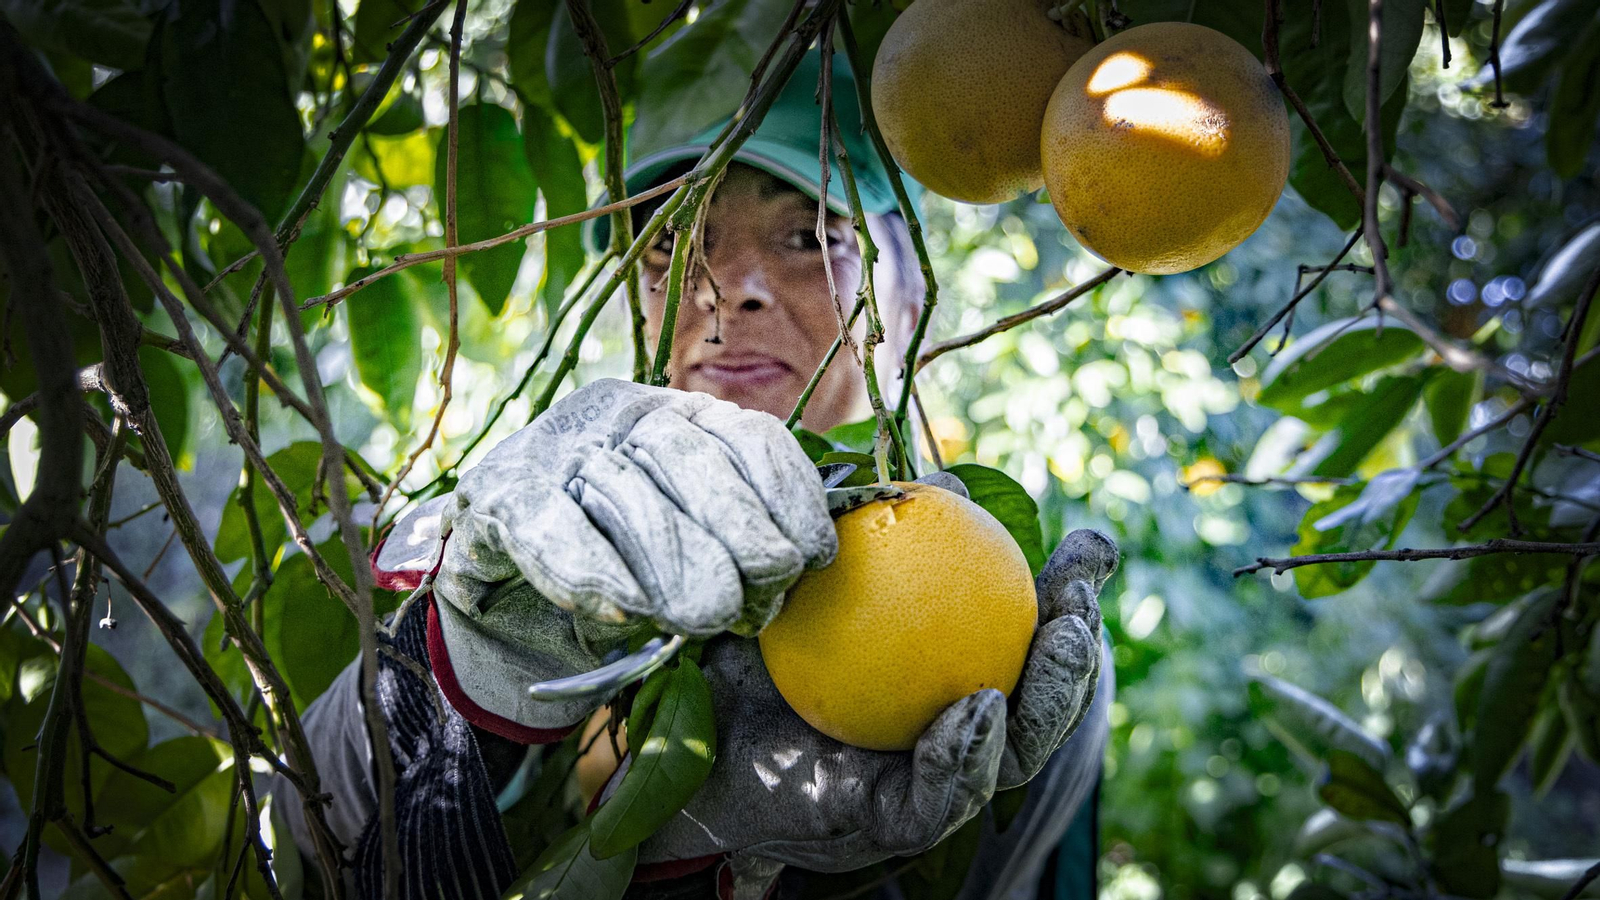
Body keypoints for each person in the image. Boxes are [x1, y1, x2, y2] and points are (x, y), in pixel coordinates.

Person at [273, 50, 1116, 900]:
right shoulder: (549, 525)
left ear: (904, 303)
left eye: (809, 238)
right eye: (674, 244)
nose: (733, 289)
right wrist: (459, 667)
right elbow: (297, 836)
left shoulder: (1003, 609)